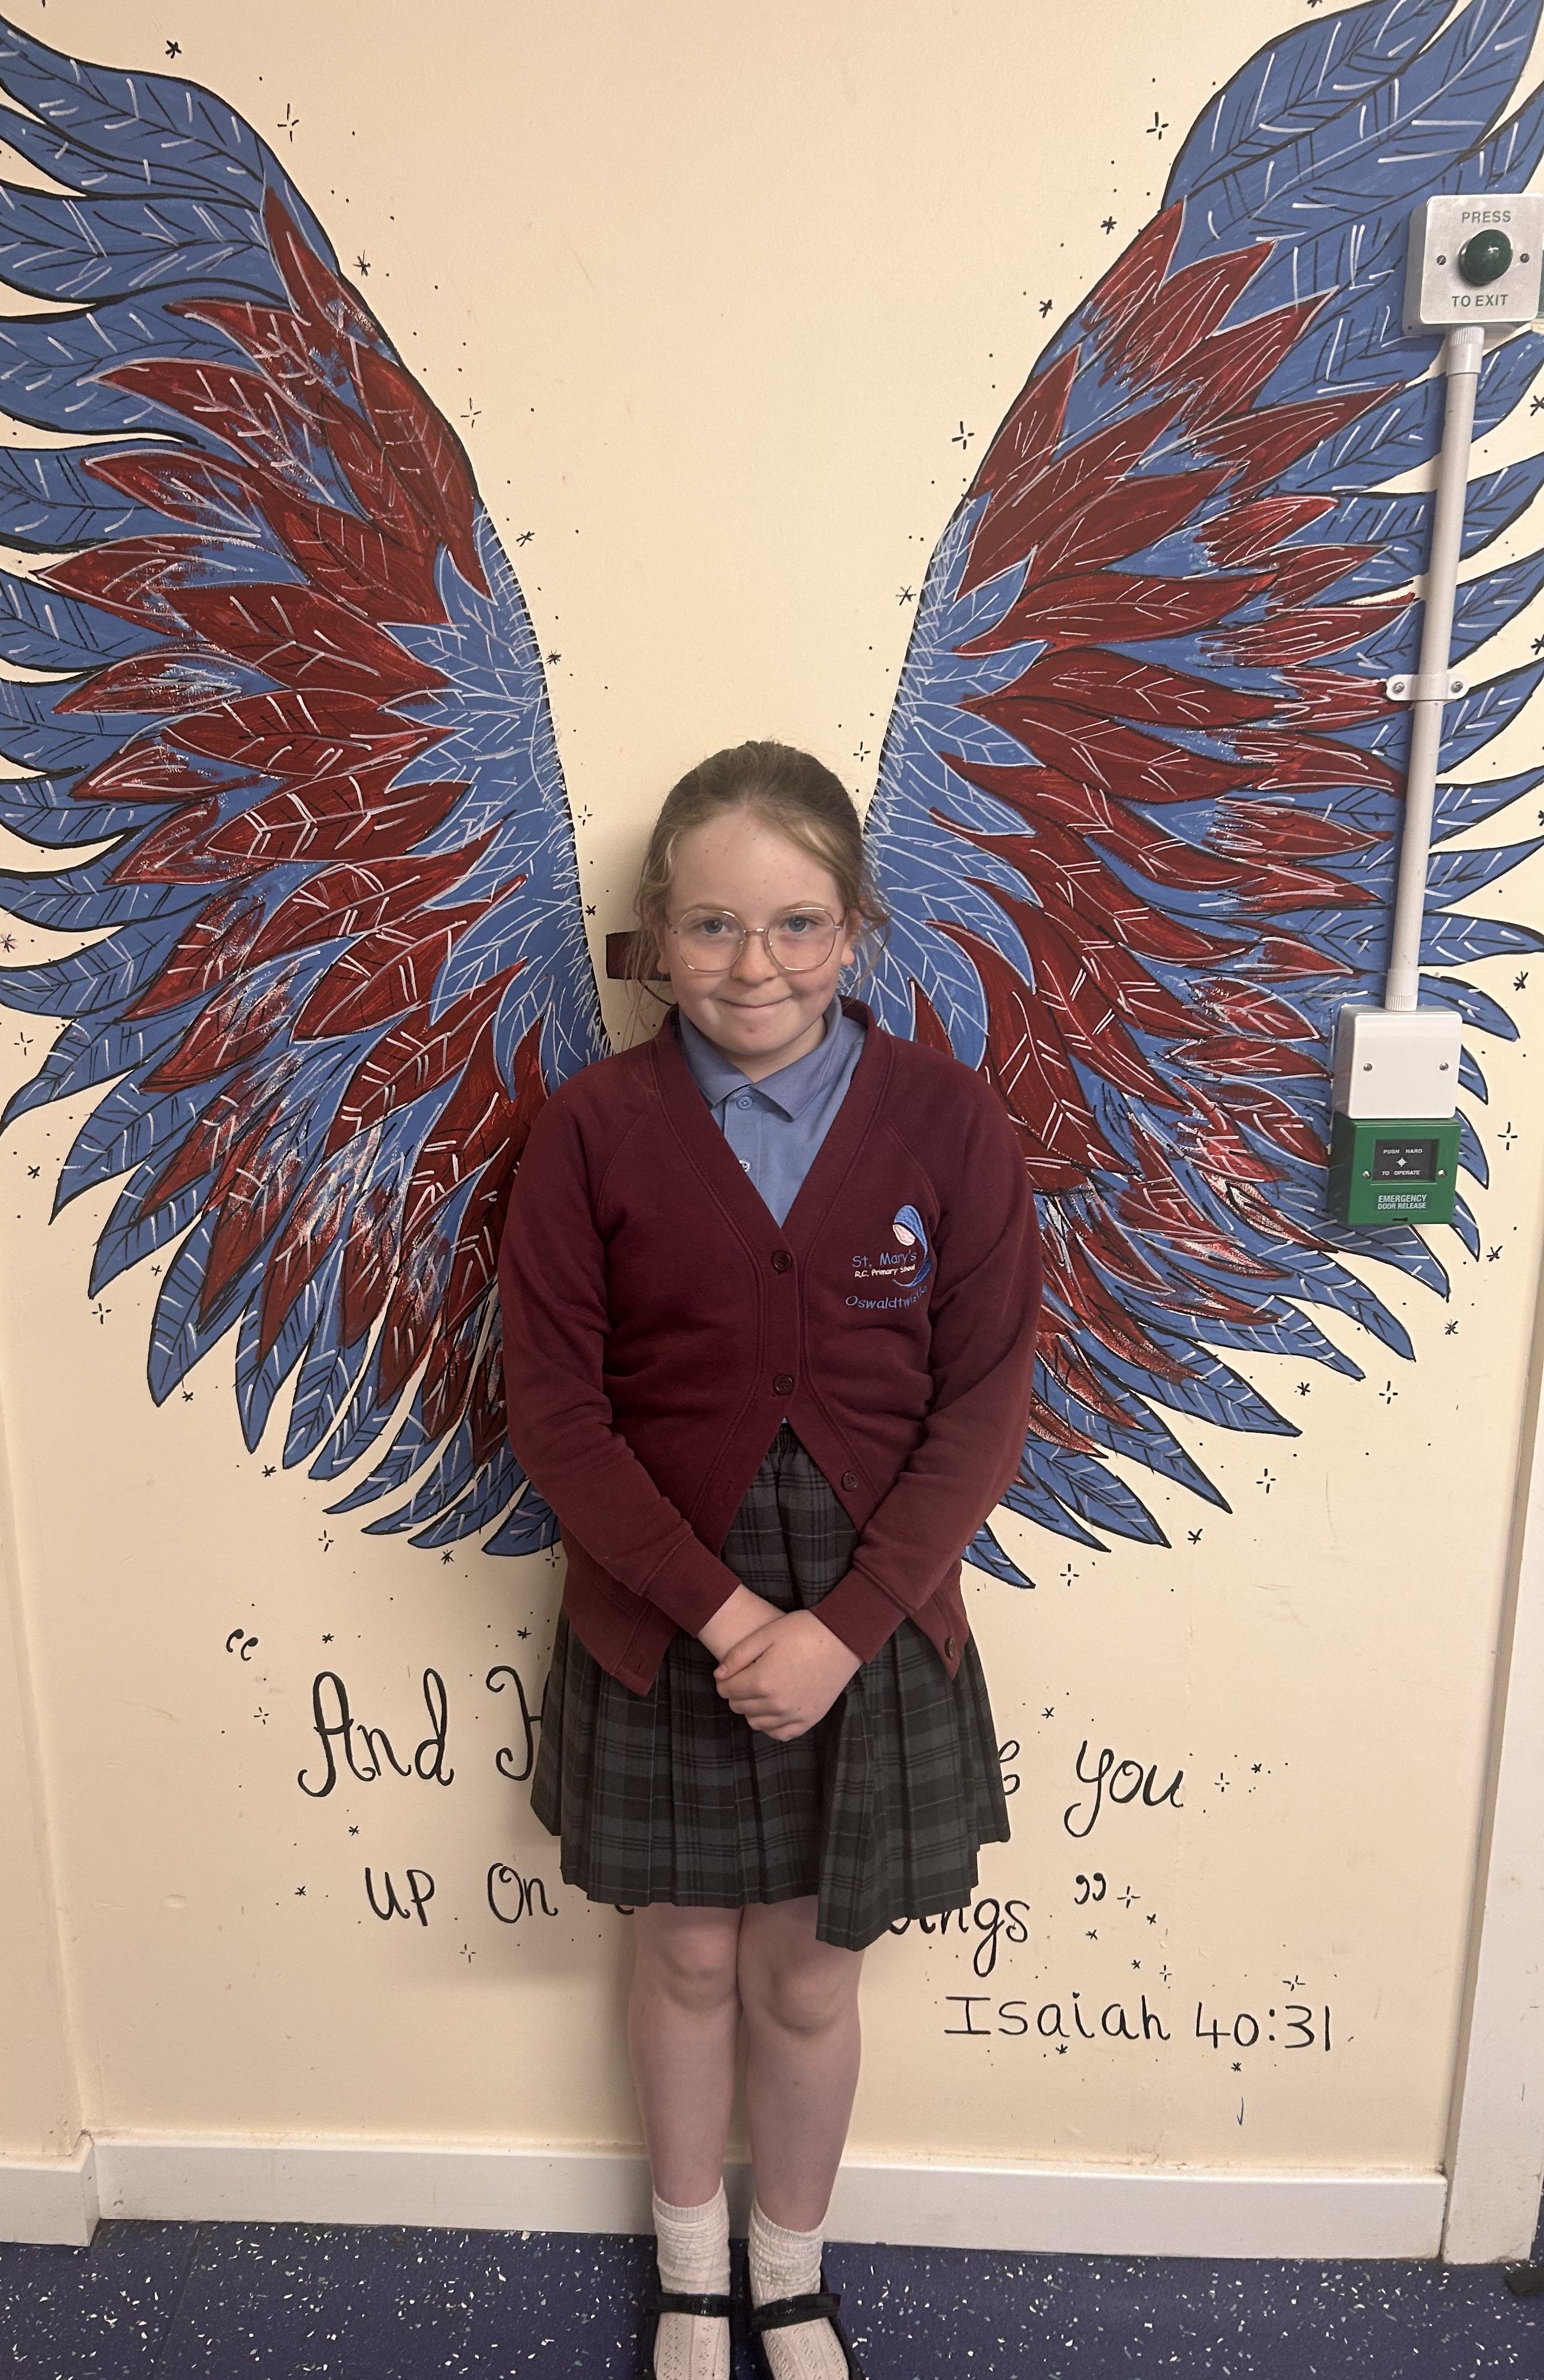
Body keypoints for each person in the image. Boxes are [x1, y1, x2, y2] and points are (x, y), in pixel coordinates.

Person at [497, 741, 1041, 2380]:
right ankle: (690, 2277)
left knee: (809, 1976)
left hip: (876, 1616)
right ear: (656, 936)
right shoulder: (592, 1131)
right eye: (714, 925)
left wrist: (844, 1629)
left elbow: (985, 1408)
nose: (756, 966)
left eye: (798, 923)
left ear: (855, 928)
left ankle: (787, 2278)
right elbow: (556, 1416)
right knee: (682, 1952)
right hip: (665, 1610)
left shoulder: (947, 1121)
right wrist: (735, 1618)